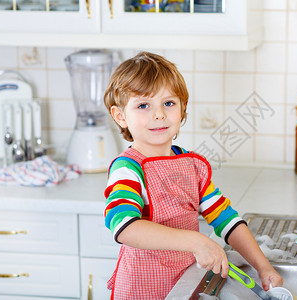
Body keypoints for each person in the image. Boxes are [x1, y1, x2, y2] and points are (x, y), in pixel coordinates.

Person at [103, 51, 283, 299]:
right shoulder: (128, 169)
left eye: (169, 103)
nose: (159, 114)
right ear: (120, 116)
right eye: (143, 105)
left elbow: (226, 219)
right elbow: (124, 227)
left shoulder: (192, 166)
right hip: (141, 291)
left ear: (182, 107)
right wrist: (196, 242)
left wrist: (264, 267)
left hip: (186, 284)